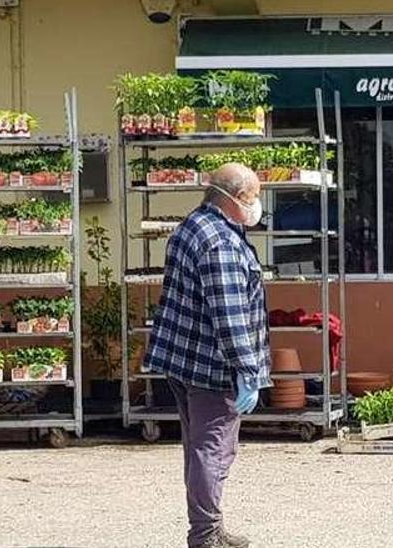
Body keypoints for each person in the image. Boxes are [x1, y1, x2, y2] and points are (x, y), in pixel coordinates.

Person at [145, 163, 271, 548]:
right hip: (213, 367)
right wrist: (248, 371)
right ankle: (205, 534)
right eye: (254, 197)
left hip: (183, 360)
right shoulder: (222, 243)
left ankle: (209, 526)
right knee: (213, 449)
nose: (257, 205)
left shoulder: (193, 225)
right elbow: (230, 316)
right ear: (234, 198)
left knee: (198, 447)